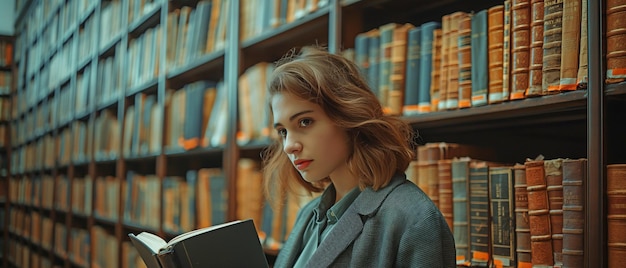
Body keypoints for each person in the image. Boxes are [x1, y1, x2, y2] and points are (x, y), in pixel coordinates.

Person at [261, 45, 456, 268]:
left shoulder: (414, 220)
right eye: (283, 131)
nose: (288, 146)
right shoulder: (309, 215)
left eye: (305, 122)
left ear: (348, 116)